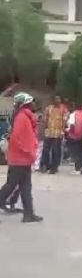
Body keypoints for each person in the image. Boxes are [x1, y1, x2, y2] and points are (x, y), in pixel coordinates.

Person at [0, 92, 43, 223]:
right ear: (26, 104)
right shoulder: (22, 117)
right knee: (11, 185)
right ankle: (27, 213)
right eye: (31, 102)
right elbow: (17, 139)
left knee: (25, 187)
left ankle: (29, 214)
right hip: (20, 158)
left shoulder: (25, 117)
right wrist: (28, 152)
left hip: (24, 158)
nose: (34, 104)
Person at [41, 95, 68, 174]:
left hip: (58, 134)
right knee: (45, 151)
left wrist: (63, 131)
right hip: (49, 133)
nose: (57, 100)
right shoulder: (48, 108)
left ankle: (54, 168)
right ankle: (46, 166)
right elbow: (45, 119)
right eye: (56, 99)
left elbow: (65, 121)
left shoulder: (64, 109)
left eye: (59, 99)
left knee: (56, 152)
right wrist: (45, 129)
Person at [66, 103, 82, 174]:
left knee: (75, 153)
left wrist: (70, 131)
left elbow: (72, 124)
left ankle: (77, 169)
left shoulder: (73, 114)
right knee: (81, 153)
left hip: (74, 137)